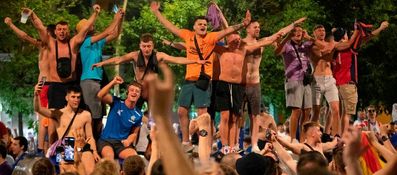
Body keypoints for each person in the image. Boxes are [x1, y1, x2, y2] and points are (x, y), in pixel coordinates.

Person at [150, 1, 251, 149]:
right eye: (200, 24)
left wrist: (243, 24)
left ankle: (204, 144)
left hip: (204, 80)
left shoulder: (211, 37)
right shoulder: (187, 35)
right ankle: (186, 142)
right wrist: (156, 12)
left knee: (202, 115)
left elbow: (227, 31)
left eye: (204, 24)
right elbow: (170, 27)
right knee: (181, 111)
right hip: (188, 80)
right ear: (194, 27)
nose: (203, 26)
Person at [92, 33, 207, 109]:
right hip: (138, 89)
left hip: (151, 90)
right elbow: (118, 59)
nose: (146, 49)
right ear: (140, 46)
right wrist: (102, 63)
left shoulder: (159, 56)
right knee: (132, 113)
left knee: (154, 117)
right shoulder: (135, 55)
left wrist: (196, 61)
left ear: (153, 46)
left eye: (149, 46)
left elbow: (177, 60)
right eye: (144, 46)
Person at [242, 17, 306, 151]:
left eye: (259, 27)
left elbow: (279, 34)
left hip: (255, 83)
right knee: (237, 116)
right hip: (241, 83)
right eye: (255, 27)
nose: (258, 29)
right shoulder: (241, 43)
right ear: (247, 29)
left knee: (255, 116)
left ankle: (254, 145)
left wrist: (293, 24)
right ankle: (237, 144)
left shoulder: (261, 42)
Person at [214, 31, 282, 152]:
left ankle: (233, 146)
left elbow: (264, 42)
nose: (238, 41)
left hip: (238, 86)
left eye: (239, 39)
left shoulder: (244, 50)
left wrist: (276, 37)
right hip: (223, 84)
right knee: (225, 117)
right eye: (235, 39)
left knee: (235, 118)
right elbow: (208, 40)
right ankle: (224, 146)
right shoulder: (221, 50)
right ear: (228, 39)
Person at [28, 5, 100, 109]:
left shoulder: (73, 43)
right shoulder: (50, 43)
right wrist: (32, 15)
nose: (62, 31)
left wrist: (95, 13)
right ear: (55, 32)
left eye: (64, 29)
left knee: (76, 117)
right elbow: (40, 27)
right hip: (56, 86)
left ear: (68, 31)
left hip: (71, 86)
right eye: (59, 29)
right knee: (55, 118)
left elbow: (85, 28)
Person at [4, 17, 55, 153]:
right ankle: (46, 149)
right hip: (47, 84)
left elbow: (27, 35)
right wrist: (11, 25)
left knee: (48, 119)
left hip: (48, 84)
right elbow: (25, 36)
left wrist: (11, 24)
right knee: (47, 118)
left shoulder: (51, 46)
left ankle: (45, 149)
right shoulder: (46, 46)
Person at [79, 9, 125, 141]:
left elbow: (115, 34)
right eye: (88, 24)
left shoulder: (97, 43)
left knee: (99, 115)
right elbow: (107, 32)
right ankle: (90, 142)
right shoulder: (85, 42)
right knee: (92, 115)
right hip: (88, 81)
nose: (92, 25)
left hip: (98, 81)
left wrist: (120, 19)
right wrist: (115, 18)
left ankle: (98, 141)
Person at [34, 84, 100, 162]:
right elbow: (38, 109)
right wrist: (36, 95)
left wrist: (95, 152)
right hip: (65, 147)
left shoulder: (86, 115)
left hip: (80, 146)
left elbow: (90, 137)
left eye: (78, 97)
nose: (76, 100)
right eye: (73, 97)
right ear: (67, 98)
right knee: (67, 170)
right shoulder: (58, 114)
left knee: (88, 163)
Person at [274, 24, 315, 141]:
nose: (298, 33)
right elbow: (276, 52)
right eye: (295, 31)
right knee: (296, 110)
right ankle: (292, 139)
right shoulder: (287, 46)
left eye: (301, 31)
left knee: (307, 111)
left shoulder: (306, 45)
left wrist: (309, 37)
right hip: (293, 80)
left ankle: (302, 140)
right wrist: (286, 38)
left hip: (306, 80)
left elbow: (320, 45)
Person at [97, 76, 142, 160]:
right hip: (106, 141)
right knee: (109, 157)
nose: (134, 92)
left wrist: (128, 140)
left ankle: (123, 173)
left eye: (137, 91)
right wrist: (113, 82)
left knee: (135, 158)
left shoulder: (138, 114)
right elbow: (100, 95)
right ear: (127, 92)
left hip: (121, 143)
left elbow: (134, 133)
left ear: (139, 95)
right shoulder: (116, 102)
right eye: (132, 90)